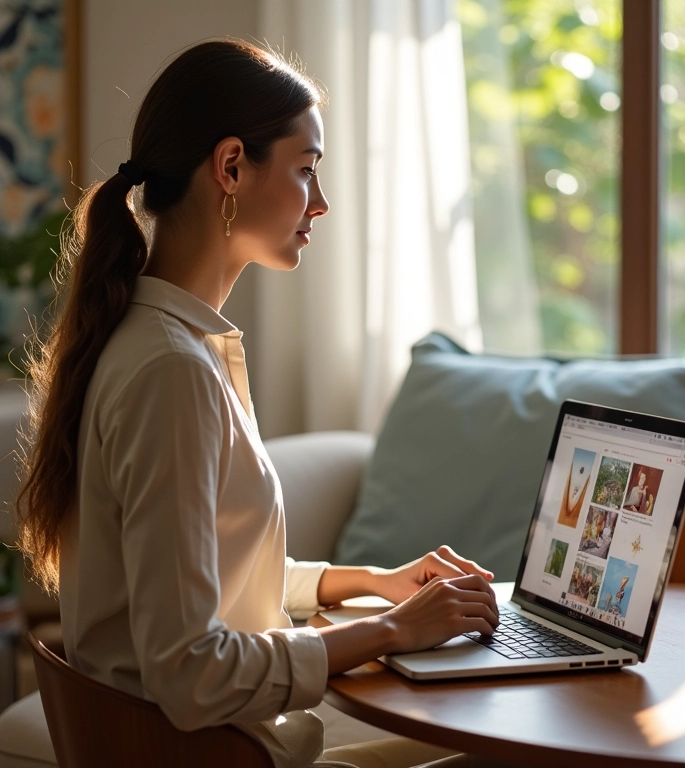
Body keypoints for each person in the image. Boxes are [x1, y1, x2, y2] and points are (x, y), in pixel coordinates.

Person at [15, 40, 503, 768]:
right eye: (306, 170)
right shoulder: (171, 373)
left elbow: (211, 580)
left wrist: (369, 583)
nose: (322, 202)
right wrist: (392, 629)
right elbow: (190, 670)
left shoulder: (161, 344)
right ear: (232, 166)